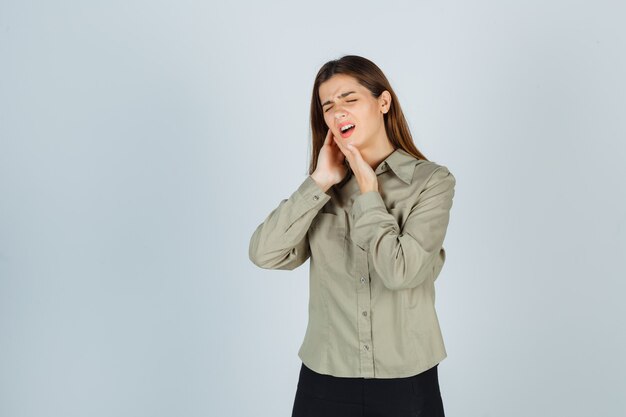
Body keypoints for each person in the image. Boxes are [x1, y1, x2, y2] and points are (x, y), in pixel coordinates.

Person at [249, 55, 456, 417]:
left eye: (349, 99)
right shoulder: (322, 188)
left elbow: (401, 272)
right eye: (327, 106)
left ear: (383, 102)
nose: (337, 112)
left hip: (406, 380)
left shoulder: (431, 183)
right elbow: (265, 254)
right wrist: (319, 182)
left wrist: (368, 190)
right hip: (325, 379)